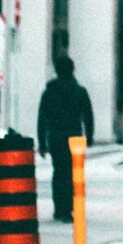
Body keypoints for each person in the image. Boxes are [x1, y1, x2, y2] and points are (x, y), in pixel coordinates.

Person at [36, 55, 94, 222]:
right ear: (72, 69)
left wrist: (42, 143)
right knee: (73, 174)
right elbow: (88, 116)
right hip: (74, 138)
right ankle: (69, 208)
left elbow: (42, 118)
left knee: (58, 172)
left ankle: (59, 208)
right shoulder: (79, 91)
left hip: (56, 138)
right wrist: (89, 137)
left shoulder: (49, 91)